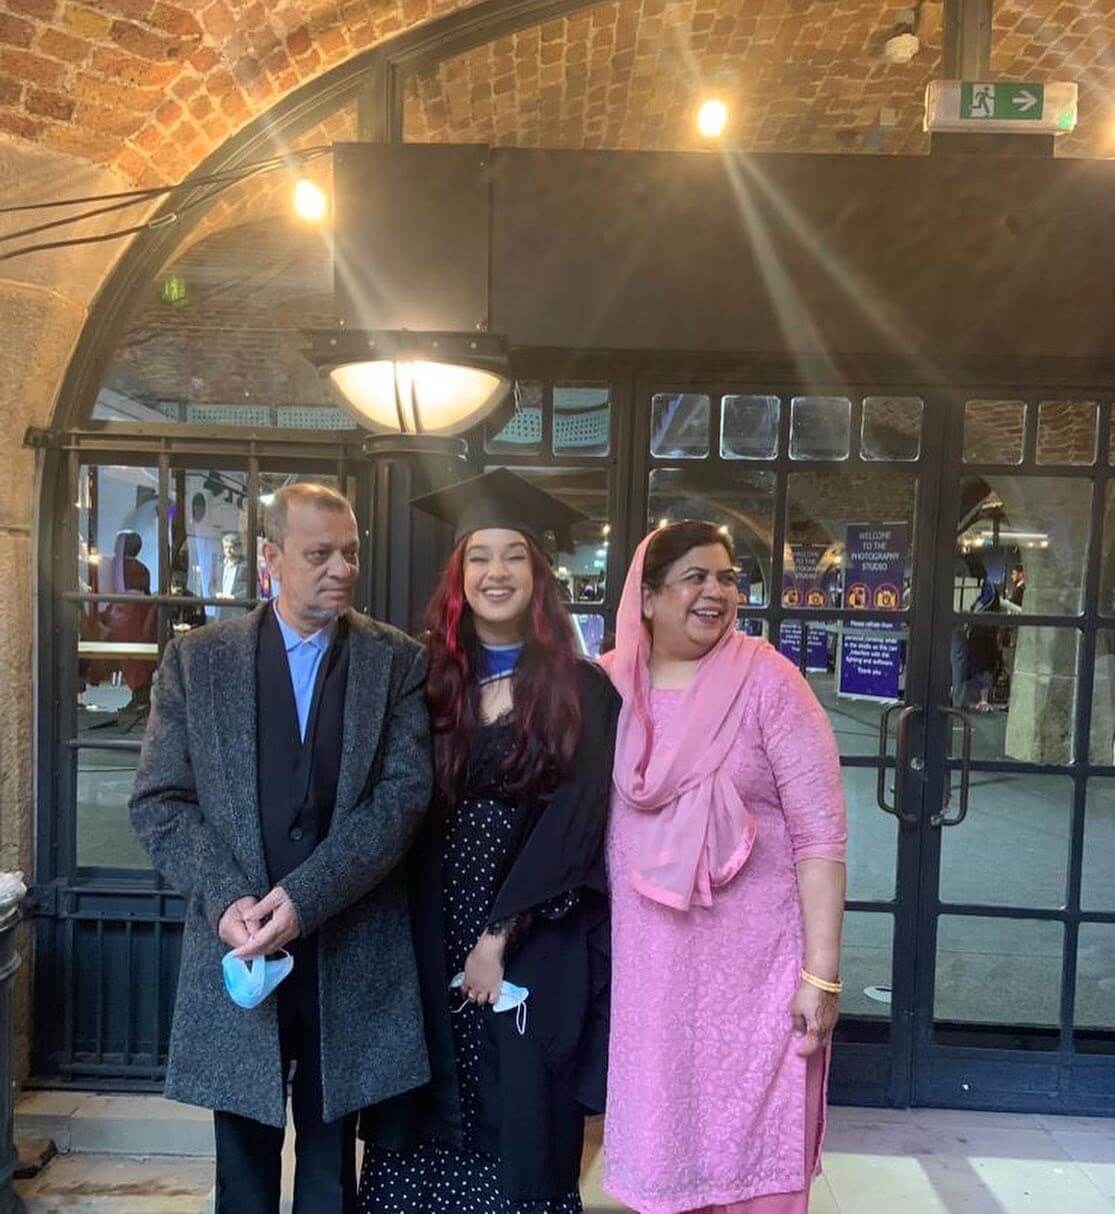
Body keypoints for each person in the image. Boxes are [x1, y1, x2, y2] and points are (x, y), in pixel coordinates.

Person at [129, 482, 433, 1214]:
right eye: (318, 554)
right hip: (237, 954)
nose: (341, 569)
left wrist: (304, 899)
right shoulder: (197, 662)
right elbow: (160, 802)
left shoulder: (397, 662)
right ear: (270, 558)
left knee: (331, 1176)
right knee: (241, 1176)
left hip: (349, 953)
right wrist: (227, 899)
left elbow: (401, 803)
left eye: (350, 553)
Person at [359, 468, 621, 1214]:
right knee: (420, 1103)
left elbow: (572, 825)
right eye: (479, 556)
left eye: (512, 556)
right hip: (424, 923)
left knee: (520, 1109)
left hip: (533, 930)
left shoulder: (582, 688)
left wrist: (496, 937)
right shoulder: (424, 677)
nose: (494, 572)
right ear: (459, 573)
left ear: (538, 577)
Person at [600, 521, 847, 1214]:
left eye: (727, 577)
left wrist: (819, 976)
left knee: (754, 1161)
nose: (715, 591)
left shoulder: (769, 681)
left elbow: (819, 835)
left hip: (758, 982)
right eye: (694, 578)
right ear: (646, 599)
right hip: (650, 985)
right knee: (663, 1154)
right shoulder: (608, 689)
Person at [212, 530, 251, 621]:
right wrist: (216, 594)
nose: (228, 551)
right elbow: (210, 586)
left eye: (231, 547)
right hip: (220, 611)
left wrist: (234, 597)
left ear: (237, 548)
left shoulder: (245, 566)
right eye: (225, 547)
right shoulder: (218, 565)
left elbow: (251, 589)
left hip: (236, 611)